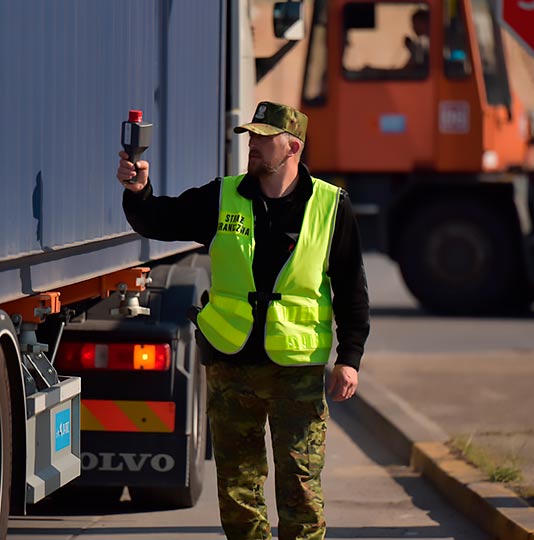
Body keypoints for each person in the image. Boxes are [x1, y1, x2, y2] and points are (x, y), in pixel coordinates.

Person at [116, 101, 370, 540]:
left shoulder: (331, 206)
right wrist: (139, 191)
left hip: (297, 369)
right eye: (250, 138)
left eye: (262, 140)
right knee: (237, 488)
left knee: (301, 489)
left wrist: (350, 358)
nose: (252, 147)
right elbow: (157, 219)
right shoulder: (223, 196)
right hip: (232, 364)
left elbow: (351, 289)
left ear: (292, 147)